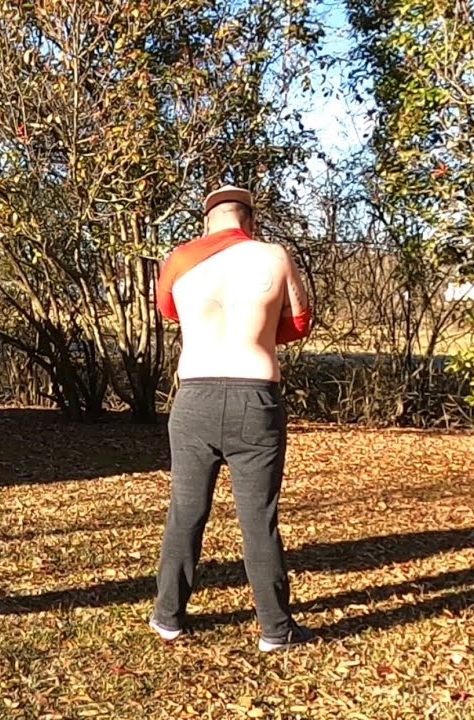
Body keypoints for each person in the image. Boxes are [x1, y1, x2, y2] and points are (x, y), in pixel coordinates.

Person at [149, 184, 316, 652]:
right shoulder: (275, 256)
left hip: (195, 398)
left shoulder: (180, 259)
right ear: (251, 222)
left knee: (186, 511)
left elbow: (170, 312)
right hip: (255, 396)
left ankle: (168, 616)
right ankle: (275, 630)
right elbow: (300, 323)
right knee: (259, 518)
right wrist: (259, 328)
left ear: (208, 221)